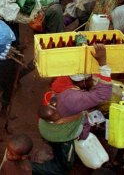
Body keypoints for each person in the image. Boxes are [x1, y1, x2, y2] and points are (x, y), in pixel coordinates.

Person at [32, 44, 112, 175]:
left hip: (48, 126)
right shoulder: (73, 97)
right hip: (59, 135)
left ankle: (56, 150)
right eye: (91, 78)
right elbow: (102, 94)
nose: (93, 80)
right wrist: (103, 63)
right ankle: (30, 168)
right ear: (83, 81)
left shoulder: (63, 80)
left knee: (57, 149)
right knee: (63, 167)